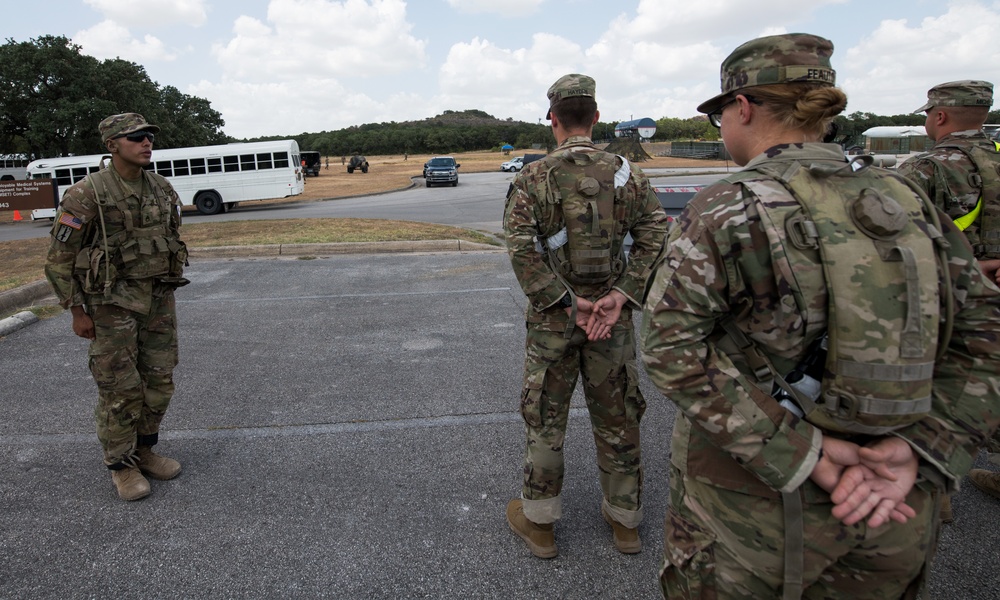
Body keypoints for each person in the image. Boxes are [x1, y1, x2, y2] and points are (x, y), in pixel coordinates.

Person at [640, 34, 1000, 599]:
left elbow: (668, 348)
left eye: (720, 117)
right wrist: (925, 446)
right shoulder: (904, 198)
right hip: (891, 508)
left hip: (749, 521)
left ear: (744, 107)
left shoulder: (725, 208)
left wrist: (801, 453)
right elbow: (986, 335)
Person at [503, 73, 668, 558]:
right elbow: (656, 233)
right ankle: (625, 523)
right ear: (595, 117)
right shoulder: (628, 173)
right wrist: (621, 295)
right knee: (618, 416)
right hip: (610, 322)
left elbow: (520, 248)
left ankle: (541, 525)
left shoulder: (531, 177)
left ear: (553, 118)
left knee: (545, 419)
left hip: (556, 322)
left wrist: (564, 302)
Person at [44, 113, 189, 502]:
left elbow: (170, 238)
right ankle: (121, 465)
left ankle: (144, 450)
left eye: (149, 137)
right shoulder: (86, 194)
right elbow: (58, 259)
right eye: (136, 137)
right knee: (119, 388)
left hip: (158, 300)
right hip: (110, 306)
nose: (147, 143)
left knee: (159, 383)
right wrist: (77, 311)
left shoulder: (160, 187)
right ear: (112, 145)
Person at [897, 81, 1000, 507]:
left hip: (950, 295)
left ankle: (931, 492)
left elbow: (888, 235)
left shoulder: (928, 167)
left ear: (939, 116)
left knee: (939, 385)